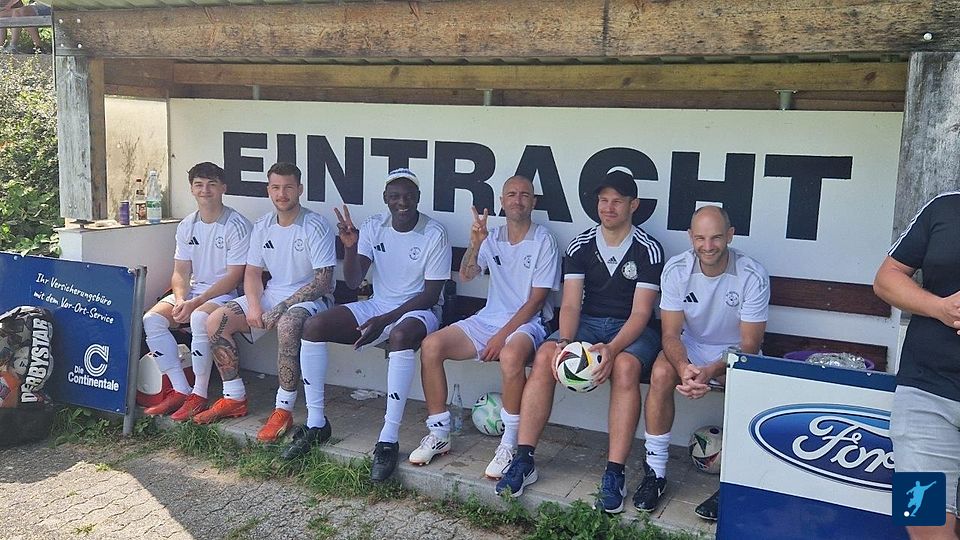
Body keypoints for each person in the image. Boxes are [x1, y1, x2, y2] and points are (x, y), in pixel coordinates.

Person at [495, 170, 664, 515]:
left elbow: (640, 314)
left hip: (631, 329)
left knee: (625, 367)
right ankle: (524, 459)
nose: (608, 207)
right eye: (603, 200)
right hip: (587, 323)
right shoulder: (581, 244)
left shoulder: (648, 248)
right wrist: (565, 341)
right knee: (546, 354)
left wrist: (612, 350)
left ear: (634, 205)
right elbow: (571, 305)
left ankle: (615, 473)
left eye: (617, 201)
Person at [287, 168, 452, 482]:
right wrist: (350, 246)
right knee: (313, 326)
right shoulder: (375, 225)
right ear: (385, 199)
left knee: (400, 335)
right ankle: (316, 423)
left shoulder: (434, 232)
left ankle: (388, 440)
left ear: (418, 197)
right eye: (395, 196)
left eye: (408, 196)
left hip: (421, 311)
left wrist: (384, 322)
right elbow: (352, 280)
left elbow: (430, 295)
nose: (402, 202)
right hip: (379, 306)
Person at [410, 175, 560, 479]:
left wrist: (501, 337)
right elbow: (467, 274)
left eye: (524, 195)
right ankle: (439, 433)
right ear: (502, 201)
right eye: (511, 194)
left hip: (528, 324)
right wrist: (476, 243)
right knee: (431, 346)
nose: (518, 200)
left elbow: (536, 301)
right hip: (489, 318)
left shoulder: (544, 239)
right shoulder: (493, 236)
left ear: (533, 202)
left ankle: (509, 445)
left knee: (510, 355)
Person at [635, 205, 769, 521]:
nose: (708, 246)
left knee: (746, 381)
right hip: (692, 348)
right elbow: (670, 334)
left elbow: (750, 345)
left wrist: (710, 372)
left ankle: (735, 483)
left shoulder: (751, 274)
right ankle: (655, 472)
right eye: (700, 238)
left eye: (716, 237)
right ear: (690, 237)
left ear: (730, 235)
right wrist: (685, 368)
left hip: (734, 351)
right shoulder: (677, 269)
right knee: (661, 371)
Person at [192, 162, 337, 429]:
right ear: (268, 190)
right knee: (215, 321)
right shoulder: (262, 225)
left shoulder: (315, 225)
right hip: (272, 295)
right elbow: (252, 273)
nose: (282, 194)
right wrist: (254, 306)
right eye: (276, 188)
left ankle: (283, 408)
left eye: (288, 188)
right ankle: (234, 397)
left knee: (288, 324)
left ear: (300, 189)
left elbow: (322, 282)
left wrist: (281, 308)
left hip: (312, 301)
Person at [874, 191, 960, 540]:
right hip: (925, 393)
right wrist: (940, 308)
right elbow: (886, 278)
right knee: (922, 520)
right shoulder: (945, 207)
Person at [141, 162, 252, 421]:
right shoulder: (187, 225)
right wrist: (181, 299)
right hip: (194, 292)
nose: (205, 190)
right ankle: (180, 390)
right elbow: (180, 271)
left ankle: (198, 395)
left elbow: (234, 277)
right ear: (191, 189)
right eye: (199, 185)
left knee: (200, 317)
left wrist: (196, 302)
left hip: (226, 295)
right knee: (152, 319)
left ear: (223, 188)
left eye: (212, 184)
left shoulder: (236, 224)